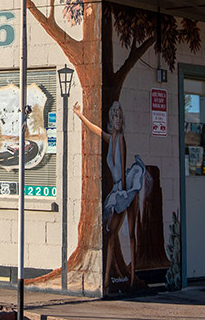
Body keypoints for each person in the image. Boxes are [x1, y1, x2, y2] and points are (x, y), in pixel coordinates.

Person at [74, 100, 145, 289]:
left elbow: (121, 167)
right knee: (112, 233)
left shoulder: (120, 139)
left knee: (130, 234)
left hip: (125, 188)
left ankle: (131, 277)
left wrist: (123, 195)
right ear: (110, 119)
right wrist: (80, 115)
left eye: (120, 116)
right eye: (115, 116)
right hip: (117, 188)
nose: (118, 120)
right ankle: (106, 279)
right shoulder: (111, 138)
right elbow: (95, 130)